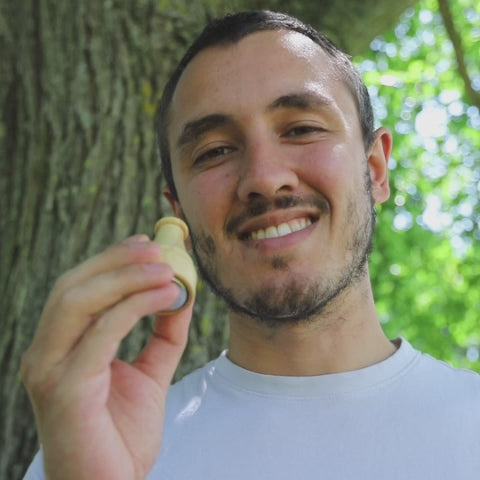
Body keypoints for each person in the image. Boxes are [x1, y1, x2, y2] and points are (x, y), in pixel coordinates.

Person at [22, 10, 480, 480]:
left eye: (302, 128)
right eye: (215, 151)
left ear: (375, 170)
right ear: (177, 212)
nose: (264, 178)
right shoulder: (89, 450)